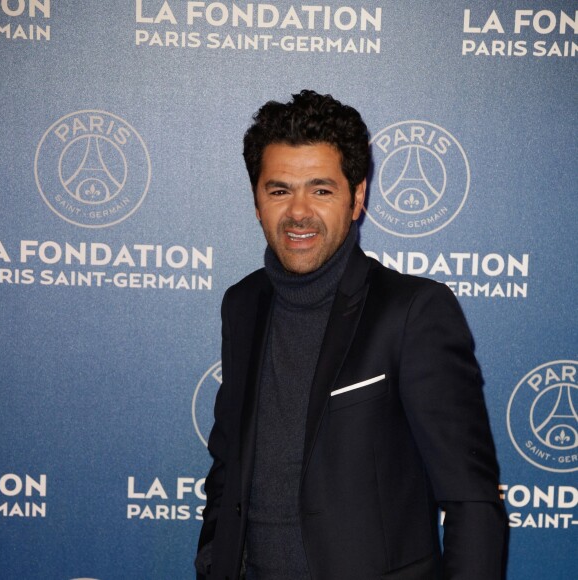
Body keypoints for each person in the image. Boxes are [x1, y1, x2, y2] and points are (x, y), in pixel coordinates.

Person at [196, 90, 507, 580]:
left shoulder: (412, 312)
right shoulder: (242, 304)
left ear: (357, 197)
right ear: (256, 200)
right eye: (279, 190)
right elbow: (227, 465)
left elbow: (472, 500)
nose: (298, 212)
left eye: (321, 190)